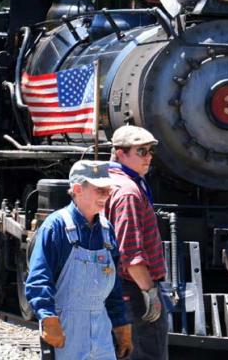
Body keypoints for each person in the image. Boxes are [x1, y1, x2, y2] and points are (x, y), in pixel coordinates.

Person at [26, 160, 133, 360]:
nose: (106, 196)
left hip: (101, 330)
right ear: (77, 189)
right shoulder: (55, 227)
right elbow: (38, 279)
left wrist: (120, 323)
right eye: (99, 190)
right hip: (66, 329)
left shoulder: (106, 230)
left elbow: (114, 286)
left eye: (108, 190)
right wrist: (48, 319)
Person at [105, 126, 169, 360]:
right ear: (120, 153)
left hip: (115, 285)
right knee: (147, 351)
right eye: (141, 151)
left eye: (150, 151)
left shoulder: (108, 182)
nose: (149, 157)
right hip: (133, 290)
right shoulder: (129, 192)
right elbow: (130, 252)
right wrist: (150, 292)